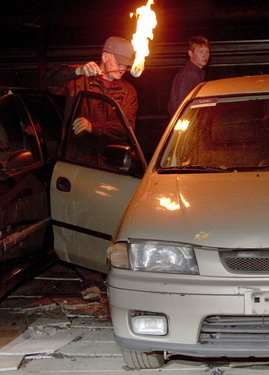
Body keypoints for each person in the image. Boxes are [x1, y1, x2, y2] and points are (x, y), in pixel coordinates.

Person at [45, 36, 138, 302]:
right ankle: (90, 279)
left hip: (113, 163)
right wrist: (76, 70)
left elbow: (127, 126)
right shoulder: (80, 81)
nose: (123, 69)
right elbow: (48, 82)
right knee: (83, 219)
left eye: (126, 64)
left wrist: (93, 126)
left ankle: (116, 274)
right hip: (80, 161)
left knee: (111, 219)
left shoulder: (128, 90)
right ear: (105, 56)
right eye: (119, 63)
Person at [167, 35, 210, 116]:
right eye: (201, 52)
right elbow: (183, 104)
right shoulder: (190, 74)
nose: (205, 55)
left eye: (207, 51)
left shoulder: (193, 72)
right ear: (190, 53)